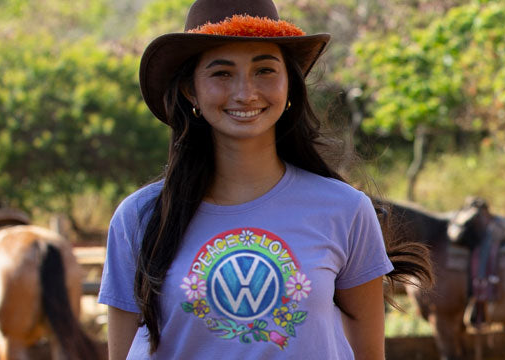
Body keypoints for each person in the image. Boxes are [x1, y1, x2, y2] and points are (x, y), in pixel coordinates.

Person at [100, 1, 426, 359]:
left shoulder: (346, 210)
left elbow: (369, 355)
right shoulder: (141, 218)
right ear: (190, 91)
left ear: (289, 86)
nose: (245, 93)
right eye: (221, 73)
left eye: (265, 70)